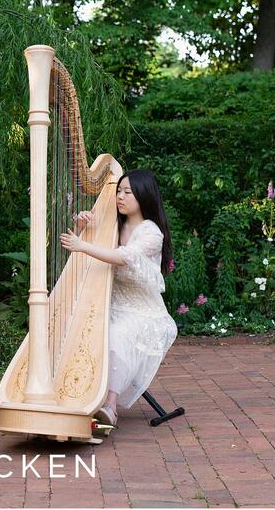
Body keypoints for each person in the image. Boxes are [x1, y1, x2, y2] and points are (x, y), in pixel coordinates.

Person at [58, 169, 178, 428]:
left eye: (128, 192)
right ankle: (75, 396)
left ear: (144, 196)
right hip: (109, 303)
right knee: (76, 330)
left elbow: (124, 257)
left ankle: (110, 407)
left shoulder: (151, 234)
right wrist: (83, 227)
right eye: (119, 191)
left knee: (116, 336)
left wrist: (83, 245)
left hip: (142, 310)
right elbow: (88, 252)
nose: (120, 197)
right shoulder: (113, 223)